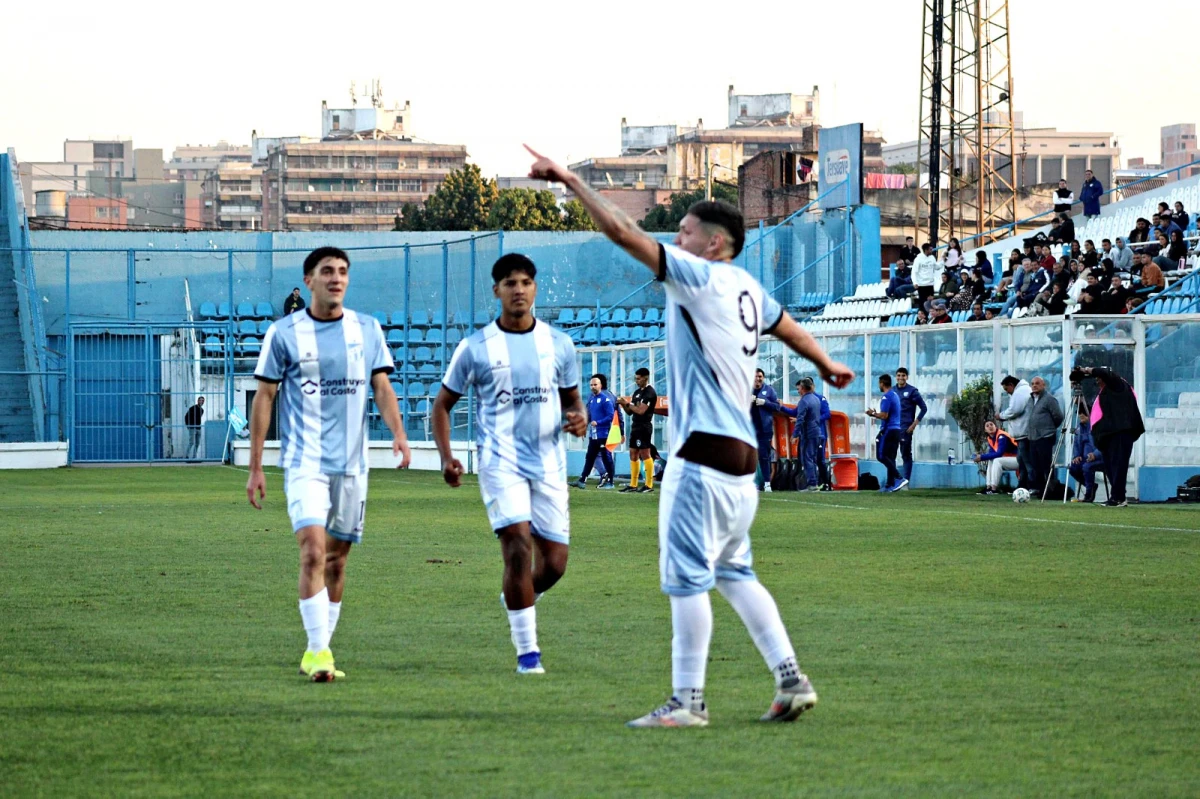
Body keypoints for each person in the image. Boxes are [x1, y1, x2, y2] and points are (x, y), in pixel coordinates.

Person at [527, 144, 854, 727]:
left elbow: (623, 232)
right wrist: (827, 365)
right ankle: (790, 679)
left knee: (685, 581)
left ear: (714, 243)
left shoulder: (700, 277)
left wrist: (571, 182)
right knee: (736, 574)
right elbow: (788, 327)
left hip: (701, 463)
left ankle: (688, 702)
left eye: (684, 231)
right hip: (740, 470)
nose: (675, 240)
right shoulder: (748, 289)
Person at [246, 246, 411, 682]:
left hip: (353, 467)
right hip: (305, 462)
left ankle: (318, 648)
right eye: (326, 271)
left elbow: (382, 386)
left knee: (337, 562)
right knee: (313, 551)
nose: (336, 278)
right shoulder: (283, 334)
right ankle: (320, 654)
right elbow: (265, 396)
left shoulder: (367, 329)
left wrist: (398, 432)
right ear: (309, 281)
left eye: (342, 271)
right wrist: (256, 465)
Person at [432, 253, 586, 675]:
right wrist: (447, 456)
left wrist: (579, 418)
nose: (519, 290)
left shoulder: (559, 344)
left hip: (549, 464)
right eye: (510, 283)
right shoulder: (475, 347)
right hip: (500, 463)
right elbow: (442, 405)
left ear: (535, 288)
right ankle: (528, 655)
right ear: (497, 290)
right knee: (517, 546)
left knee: (554, 565)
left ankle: (517, 596)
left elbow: (574, 400)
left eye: (526, 282)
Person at [1074, 366, 1144, 507]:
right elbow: (1097, 413)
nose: (1097, 381)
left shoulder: (1118, 384)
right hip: (1109, 435)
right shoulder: (1107, 392)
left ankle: (1118, 498)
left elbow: (1105, 373)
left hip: (1120, 432)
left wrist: (1086, 370)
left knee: (1118, 465)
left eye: (1098, 378)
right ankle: (1117, 496)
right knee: (1111, 467)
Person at [574, 373, 620, 490]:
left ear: (600, 385)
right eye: (591, 385)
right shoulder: (592, 400)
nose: (593, 387)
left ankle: (610, 481)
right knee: (590, 456)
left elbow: (610, 416)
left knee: (606, 457)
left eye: (595, 384)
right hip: (593, 434)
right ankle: (582, 480)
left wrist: (598, 422)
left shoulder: (606, 400)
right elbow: (589, 415)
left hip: (603, 434)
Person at [618, 367, 658, 493]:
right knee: (633, 453)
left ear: (646, 378)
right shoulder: (636, 393)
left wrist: (627, 403)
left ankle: (649, 485)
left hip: (644, 427)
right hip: (635, 426)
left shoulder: (650, 393)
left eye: (639, 379)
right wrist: (623, 404)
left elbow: (641, 411)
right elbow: (630, 412)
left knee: (645, 454)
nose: (636, 381)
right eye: (635, 379)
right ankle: (633, 485)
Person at [865, 373, 905, 492]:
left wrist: (873, 414)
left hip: (888, 430)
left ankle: (899, 477)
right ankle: (890, 485)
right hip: (896, 430)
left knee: (881, 456)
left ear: (882, 383)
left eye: (879, 384)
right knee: (891, 458)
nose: (879, 386)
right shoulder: (895, 395)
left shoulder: (886, 397)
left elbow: (884, 415)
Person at [1027, 377, 1064, 497]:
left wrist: (1048, 428)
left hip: (1045, 436)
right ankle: (1040, 489)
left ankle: (1050, 489)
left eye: (1037, 383)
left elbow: (1058, 416)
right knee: (1035, 465)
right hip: (1033, 437)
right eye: (1032, 384)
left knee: (1046, 465)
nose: (1034, 385)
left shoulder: (1049, 399)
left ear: (1044, 385)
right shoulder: (1031, 399)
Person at [997, 375, 1033, 490]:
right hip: (1023, 433)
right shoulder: (1023, 390)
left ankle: (1032, 485)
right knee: (1021, 461)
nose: (1007, 392)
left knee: (1026, 462)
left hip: (1024, 433)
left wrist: (1001, 416)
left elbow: (1014, 410)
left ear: (1011, 385)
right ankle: (1022, 485)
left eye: (1006, 389)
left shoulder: (1020, 392)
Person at [894, 367, 927, 485]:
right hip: (893, 428)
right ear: (896, 377)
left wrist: (914, 425)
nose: (901, 378)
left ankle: (906, 481)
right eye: (899, 375)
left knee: (906, 455)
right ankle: (893, 481)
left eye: (903, 375)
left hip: (905, 429)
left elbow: (924, 408)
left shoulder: (912, 391)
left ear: (907, 377)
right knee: (890, 455)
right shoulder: (892, 391)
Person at [751, 368, 781, 491]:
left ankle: (767, 483)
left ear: (763, 378)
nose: (758, 379)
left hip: (765, 429)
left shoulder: (769, 390)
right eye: (755, 376)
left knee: (764, 456)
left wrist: (765, 402)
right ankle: (752, 483)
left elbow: (777, 407)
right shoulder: (746, 389)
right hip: (749, 429)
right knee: (750, 456)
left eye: (760, 376)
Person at [973, 420, 1019, 495]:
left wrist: (981, 457)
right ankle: (988, 487)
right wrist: (981, 456)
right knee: (991, 460)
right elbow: (992, 454)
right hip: (1010, 460)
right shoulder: (990, 438)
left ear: (995, 426)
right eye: (987, 426)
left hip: (1019, 459)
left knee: (997, 460)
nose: (990, 426)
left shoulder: (1001, 436)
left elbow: (999, 453)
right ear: (985, 430)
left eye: (991, 424)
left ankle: (994, 489)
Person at [1068, 408, 1103, 503]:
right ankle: (1091, 487)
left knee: (1087, 467)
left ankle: (1088, 494)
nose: (1081, 415)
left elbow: (1104, 444)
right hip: (1084, 458)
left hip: (1099, 458)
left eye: (1084, 413)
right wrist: (1076, 456)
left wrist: (1095, 455)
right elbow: (1076, 444)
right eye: (1079, 413)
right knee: (1073, 467)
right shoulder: (1079, 429)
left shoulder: (1098, 427)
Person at [912, 242, 938, 308]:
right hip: (922, 284)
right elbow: (914, 272)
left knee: (931, 302)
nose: (931, 251)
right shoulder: (918, 259)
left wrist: (943, 261)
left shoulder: (932, 258)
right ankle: (922, 313)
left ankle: (931, 314)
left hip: (930, 284)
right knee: (923, 302)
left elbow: (936, 267)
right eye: (930, 249)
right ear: (926, 250)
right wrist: (915, 282)